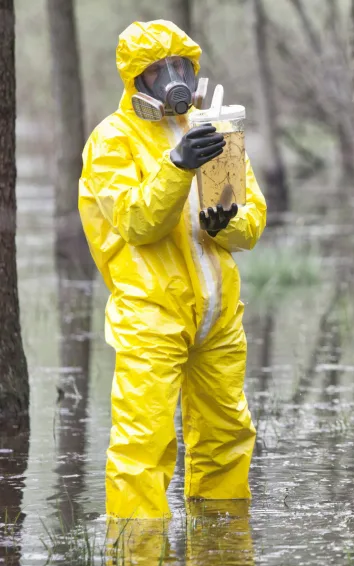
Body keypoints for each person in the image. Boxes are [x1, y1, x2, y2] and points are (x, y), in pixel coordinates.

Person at [78, 19, 267, 520]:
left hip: (219, 316)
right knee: (144, 443)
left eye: (179, 66)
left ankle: (221, 552)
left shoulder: (214, 128)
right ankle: (138, 562)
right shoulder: (111, 141)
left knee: (228, 434)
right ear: (136, 80)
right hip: (150, 316)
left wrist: (226, 221)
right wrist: (177, 166)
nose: (172, 78)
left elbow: (248, 227)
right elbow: (138, 222)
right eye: (157, 70)